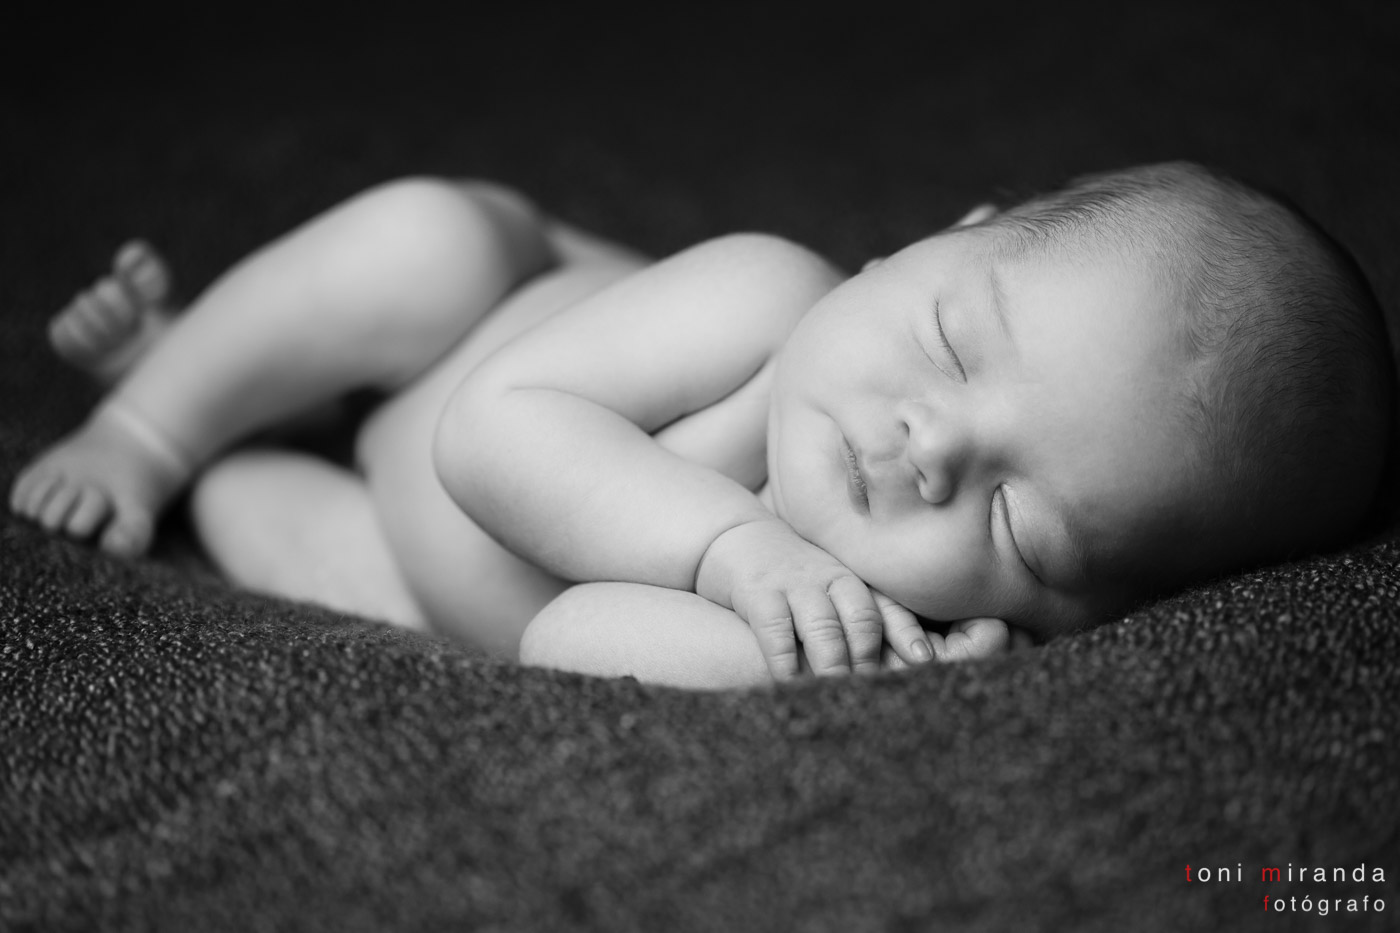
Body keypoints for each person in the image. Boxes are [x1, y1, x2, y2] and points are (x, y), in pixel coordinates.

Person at [9, 162, 1394, 689]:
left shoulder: (854, 614)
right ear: (941, 233)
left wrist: (827, 663)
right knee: (421, 239)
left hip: (412, 553)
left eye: (1022, 526)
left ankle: (241, 436)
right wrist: (736, 546)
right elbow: (491, 433)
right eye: (954, 341)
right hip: (468, 338)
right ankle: (158, 405)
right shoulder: (768, 295)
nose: (935, 446)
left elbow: (560, 635)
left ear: (1078, 621)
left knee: (301, 547)